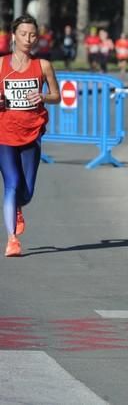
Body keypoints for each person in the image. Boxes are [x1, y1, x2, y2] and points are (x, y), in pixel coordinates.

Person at [0, 14, 60, 257]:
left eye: (32, 34)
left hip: (31, 133)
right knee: (11, 184)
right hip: (4, 133)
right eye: (23, 34)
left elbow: (57, 96)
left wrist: (43, 97)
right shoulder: (1, 64)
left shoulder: (43, 65)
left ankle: (18, 208)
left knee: (26, 191)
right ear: (14, 36)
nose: (28, 38)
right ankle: (12, 240)